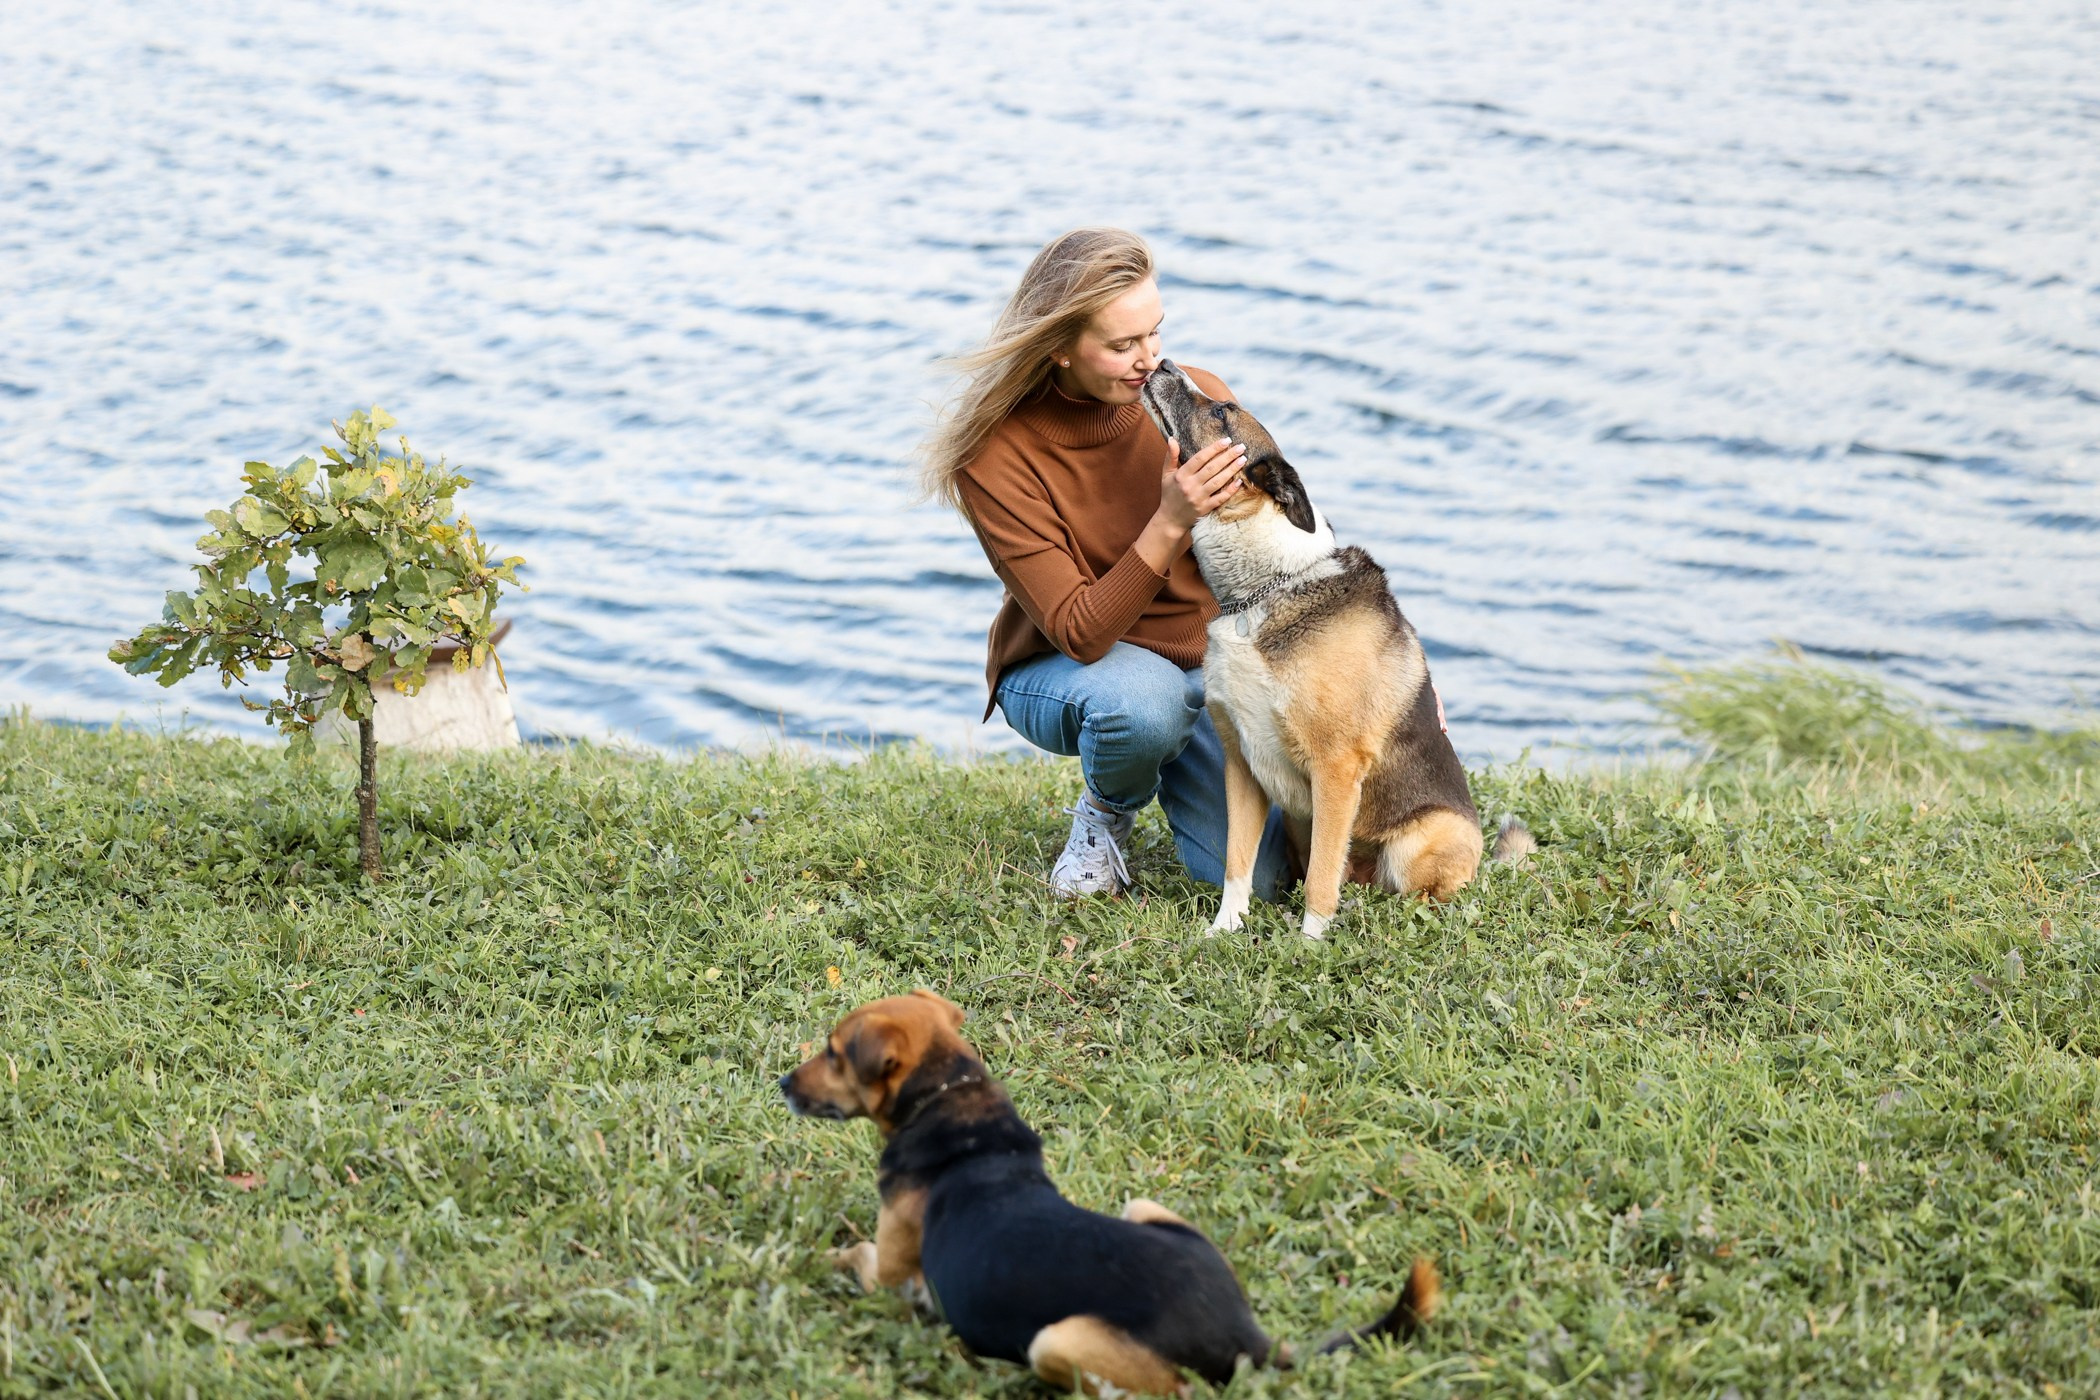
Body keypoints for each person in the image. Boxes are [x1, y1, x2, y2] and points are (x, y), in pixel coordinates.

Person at [921, 227, 1294, 899]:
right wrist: (1170, 520)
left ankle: (1176, 754)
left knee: (1268, 882)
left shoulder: (1197, 400)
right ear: (1059, 349)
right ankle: (1105, 814)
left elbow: (1293, 545)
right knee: (1142, 706)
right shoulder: (995, 456)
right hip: (1072, 668)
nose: (1149, 361)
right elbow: (1081, 631)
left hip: (1208, 672)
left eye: (1155, 333)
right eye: (1122, 346)